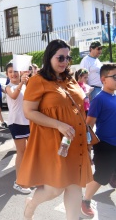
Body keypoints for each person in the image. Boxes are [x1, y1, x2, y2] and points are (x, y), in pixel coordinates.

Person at [17, 39, 93, 220]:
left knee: (75, 184)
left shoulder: (70, 78)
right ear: (49, 56)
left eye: (68, 57)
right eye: (60, 57)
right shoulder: (37, 80)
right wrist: (58, 124)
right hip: (52, 141)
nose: (65, 62)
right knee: (55, 189)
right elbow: (29, 112)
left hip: (75, 140)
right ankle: (31, 204)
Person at [80, 64, 116, 218]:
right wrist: (87, 149)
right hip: (105, 145)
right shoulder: (99, 99)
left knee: (107, 173)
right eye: (114, 77)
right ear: (103, 79)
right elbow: (88, 125)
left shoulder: (114, 96)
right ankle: (85, 200)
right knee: (101, 175)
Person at [5, 63, 31, 194]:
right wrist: (21, 84)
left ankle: (27, 177)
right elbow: (14, 95)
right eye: (10, 72)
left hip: (27, 122)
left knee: (29, 151)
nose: (13, 74)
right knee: (21, 152)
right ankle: (18, 182)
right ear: (7, 74)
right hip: (16, 122)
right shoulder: (8, 87)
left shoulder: (25, 85)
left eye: (15, 71)